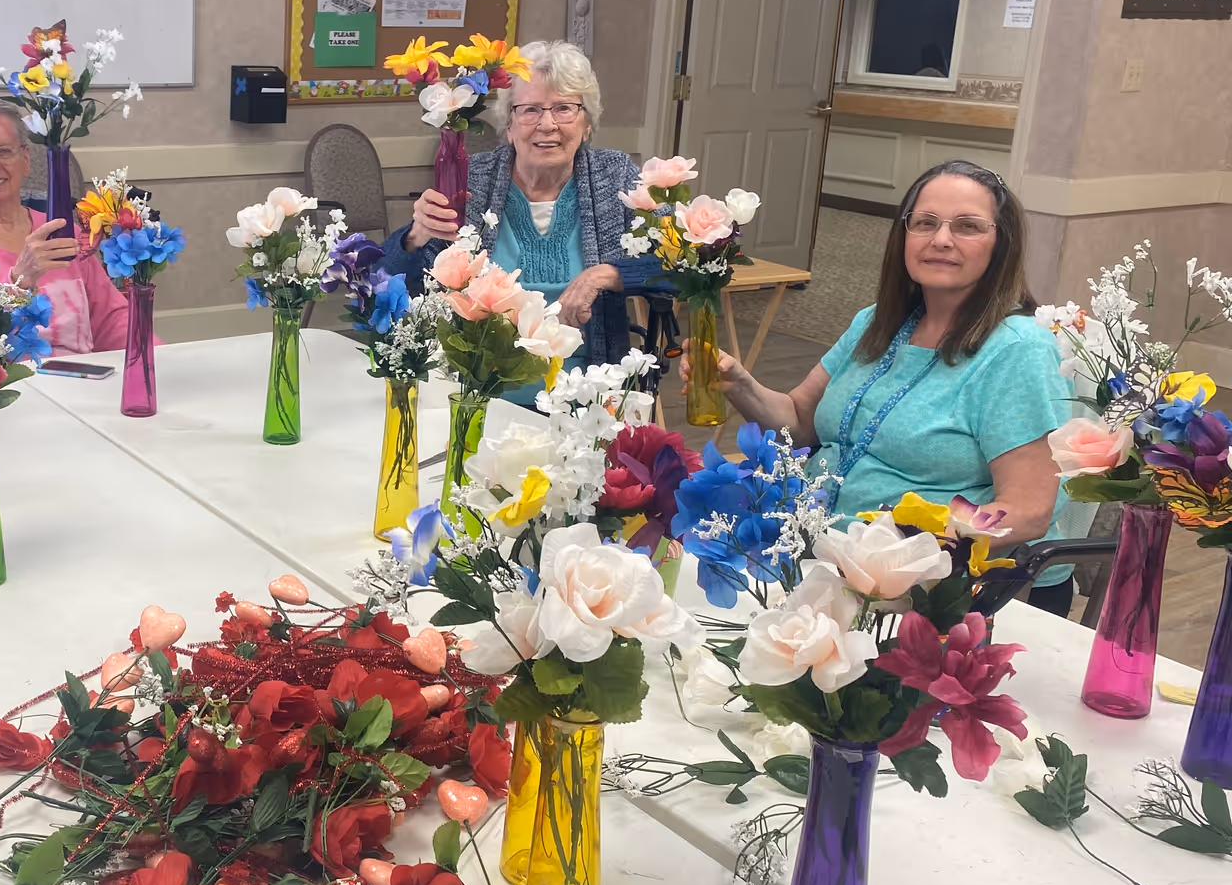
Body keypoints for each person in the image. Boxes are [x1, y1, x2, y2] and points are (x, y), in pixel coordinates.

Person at [681, 159, 1077, 613]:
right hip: (824, 557)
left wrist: (901, 545)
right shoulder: (878, 322)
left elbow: (1027, 512)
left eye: (967, 226)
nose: (941, 239)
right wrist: (739, 385)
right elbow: (801, 422)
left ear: (1001, 244)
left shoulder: (1016, 349)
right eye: (925, 223)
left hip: (940, 589)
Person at [379, 40, 660, 387]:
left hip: (587, 395)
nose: (547, 124)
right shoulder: (473, 178)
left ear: (587, 123)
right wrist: (415, 237)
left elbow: (680, 264)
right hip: (480, 391)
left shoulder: (615, 176)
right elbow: (390, 279)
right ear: (509, 127)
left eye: (564, 108)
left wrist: (606, 275)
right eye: (530, 110)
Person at [0, 93, 135, 355]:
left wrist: (153, 361)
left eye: (4, 151)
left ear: (26, 159)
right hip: (2, 393)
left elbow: (112, 321)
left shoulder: (63, 233)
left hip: (82, 386)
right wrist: (18, 283)